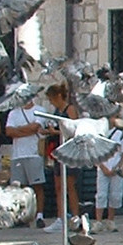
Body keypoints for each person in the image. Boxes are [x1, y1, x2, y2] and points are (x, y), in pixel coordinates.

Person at [6, 93, 50, 228]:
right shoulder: (13, 113)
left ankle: (39, 215)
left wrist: (18, 131)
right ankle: (22, 217)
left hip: (34, 153)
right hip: (18, 155)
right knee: (20, 188)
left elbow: (35, 127)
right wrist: (26, 131)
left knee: (37, 186)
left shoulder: (40, 111)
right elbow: (9, 131)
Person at [43, 83, 80, 229]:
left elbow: (74, 131)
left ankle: (76, 217)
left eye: (52, 99)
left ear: (59, 96)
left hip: (70, 152)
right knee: (58, 186)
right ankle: (61, 217)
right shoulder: (56, 112)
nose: (51, 102)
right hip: (58, 152)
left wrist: (56, 132)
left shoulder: (69, 109)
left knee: (70, 186)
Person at [94, 119, 123, 232]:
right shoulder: (98, 134)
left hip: (116, 169)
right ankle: (98, 221)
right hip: (102, 168)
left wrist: (118, 167)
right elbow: (95, 153)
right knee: (101, 194)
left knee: (115, 194)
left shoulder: (119, 134)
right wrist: (103, 167)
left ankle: (111, 220)